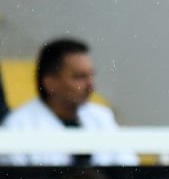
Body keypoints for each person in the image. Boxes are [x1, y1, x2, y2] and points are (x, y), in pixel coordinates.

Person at [0, 38, 138, 167]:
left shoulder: (102, 116)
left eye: (91, 75)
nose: (90, 84)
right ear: (50, 83)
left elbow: (129, 167)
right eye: (79, 77)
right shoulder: (18, 125)